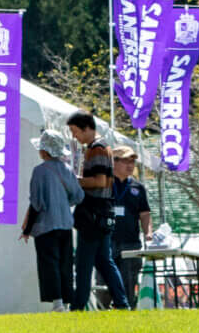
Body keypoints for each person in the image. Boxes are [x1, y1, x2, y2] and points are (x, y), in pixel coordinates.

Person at [23, 127, 83, 310]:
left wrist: (27, 229)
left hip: (45, 225)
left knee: (49, 263)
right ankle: (66, 301)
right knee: (65, 263)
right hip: (65, 223)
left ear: (44, 150)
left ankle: (57, 302)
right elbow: (78, 196)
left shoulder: (40, 171)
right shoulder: (67, 169)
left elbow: (36, 203)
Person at [71, 159, 130, 310]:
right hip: (103, 220)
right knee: (105, 262)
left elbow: (100, 181)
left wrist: (77, 180)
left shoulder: (97, 150)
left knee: (84, 264)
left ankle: (78, 306)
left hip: (93, 220)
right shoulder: (110, 175)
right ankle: (121, 303)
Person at [109, 147, 153, 309]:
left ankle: (126, 314)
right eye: (126, 161)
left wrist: (148, 232)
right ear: (114, 162)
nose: (130, 165)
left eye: (132, 162)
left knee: (128, 282)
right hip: (107, 241)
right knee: (104, 284)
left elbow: (145, 214)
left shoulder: (138, 187)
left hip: (130, 243)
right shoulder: (104, 183)